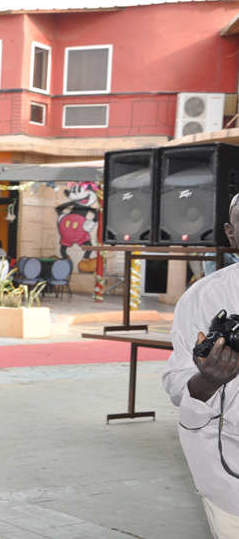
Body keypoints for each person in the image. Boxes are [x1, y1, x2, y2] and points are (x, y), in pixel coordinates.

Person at [164, 193, 239, 537]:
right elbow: (180, 386)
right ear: (231, 232)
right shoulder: (205, 297)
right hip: (231, 473)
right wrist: (208, 378)